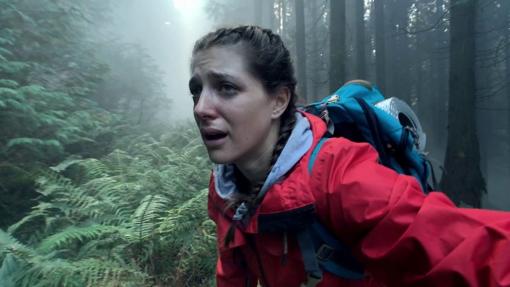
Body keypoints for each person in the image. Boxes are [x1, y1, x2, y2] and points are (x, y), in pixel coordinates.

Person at [189, 25, 510, 287]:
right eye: (197, 90)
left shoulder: (340, 175)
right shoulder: (227, 189)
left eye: (226, 88)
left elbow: (466, 248)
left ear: (278, 100)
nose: (201, 108)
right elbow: (232, 273)